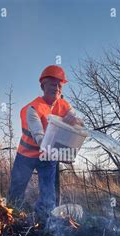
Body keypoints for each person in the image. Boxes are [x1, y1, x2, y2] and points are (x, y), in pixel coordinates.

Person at [8, 65, 83, 223]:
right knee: (17, 187)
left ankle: (44, 221)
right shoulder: (33, 108)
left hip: (47, 156)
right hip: (26, 155)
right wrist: (60, 154)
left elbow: (79, 124)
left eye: (59, 85)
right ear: (43, 86)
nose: (56, 88)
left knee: (49, 193)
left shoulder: (65, 106)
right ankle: (11, 218)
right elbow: (40, 137)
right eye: (52, 84)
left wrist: (75, 122)